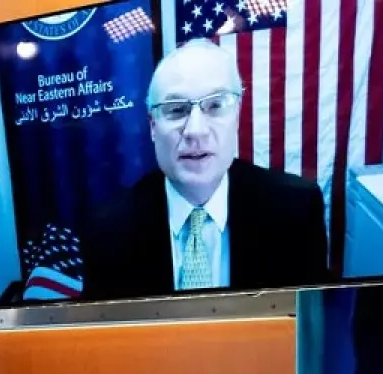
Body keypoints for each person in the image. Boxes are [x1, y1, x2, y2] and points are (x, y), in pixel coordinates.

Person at [79, 39, 329, 302]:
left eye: (215, 106)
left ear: (237, 115)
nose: (195, 131)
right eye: (176, 110)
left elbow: (308, 326)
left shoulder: (296, 209)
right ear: (153, 126)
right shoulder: (107, 229)